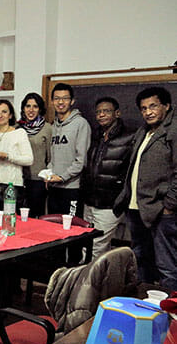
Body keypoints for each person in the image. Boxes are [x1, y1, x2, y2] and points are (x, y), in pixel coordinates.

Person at [114, 87, 177, 290]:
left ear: (166, 106)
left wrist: (169, 205)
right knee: (141, 259)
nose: (148, 112)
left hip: (161, 210)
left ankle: (171, 315)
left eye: (153, 106)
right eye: (143, 108)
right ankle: (147, 307)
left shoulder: (173, 131)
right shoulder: (143, 131)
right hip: (137, 207)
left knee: (167, 265)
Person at [82, 97, 134, 259]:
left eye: (106, 111)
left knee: (97, 247)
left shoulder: (130, 137)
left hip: (110, 204)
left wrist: (121, 198)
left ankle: (86, 282)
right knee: (88, 244)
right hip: (89, 200)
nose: (101, 115)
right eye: (98, 112)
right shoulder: (96, 135)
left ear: (117, 113)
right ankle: (99, 281)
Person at [45, 83, 91, 217]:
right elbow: (53, 157)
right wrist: (49, 174)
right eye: (57, 98)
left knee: (71, 230)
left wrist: (62, 177)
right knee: (53, 228)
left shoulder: (81, 124)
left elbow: (81, 161)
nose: (60, 102)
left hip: (71, 189)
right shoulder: (53, 126)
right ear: (52, 101)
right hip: (54, 188)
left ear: (72, 101)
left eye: (65, 98)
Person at [0, 99, 33, 208]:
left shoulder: (19, 133)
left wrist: (7, 156)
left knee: (11, 222)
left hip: (12, 187)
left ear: (10, 115)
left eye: (4, 112)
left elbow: (29, 159)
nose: (0, 115)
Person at [19, 93, 52, 218]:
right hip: (19, 179)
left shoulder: (48, 128)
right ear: (23, 108)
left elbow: (50, 157)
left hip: (38, 181)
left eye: (35, 106)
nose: (31, 110)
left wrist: (47, 177)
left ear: (40, 109)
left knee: (36, 216)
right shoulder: (17, 128)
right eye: (28, 106)